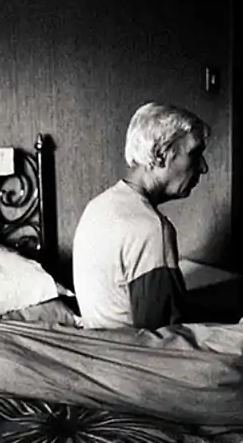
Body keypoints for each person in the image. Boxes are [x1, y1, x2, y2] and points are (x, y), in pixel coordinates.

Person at [71, 102, 211, 330]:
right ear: (160, 154)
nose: (203, 167)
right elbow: (164, 336)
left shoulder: (98, 206)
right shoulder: (151, 228)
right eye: (195, 153)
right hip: (131, 350)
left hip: (98, 343)